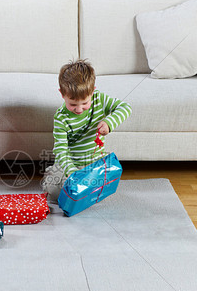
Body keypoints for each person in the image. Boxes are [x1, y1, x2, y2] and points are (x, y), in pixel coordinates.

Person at [41, 59, 132, 202]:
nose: (79, 109)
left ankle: (84, 189)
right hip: (69, 164)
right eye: (72, 104)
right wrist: (73, 173)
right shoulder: (61, 117)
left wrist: (109, 122)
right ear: (62, 94)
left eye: (85, 103)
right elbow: (61, 150)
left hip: (93, 162)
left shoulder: (100, 99)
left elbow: (125, 107)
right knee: (54, 194)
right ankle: (51, 175)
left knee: (106, 183)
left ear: (92, 91)